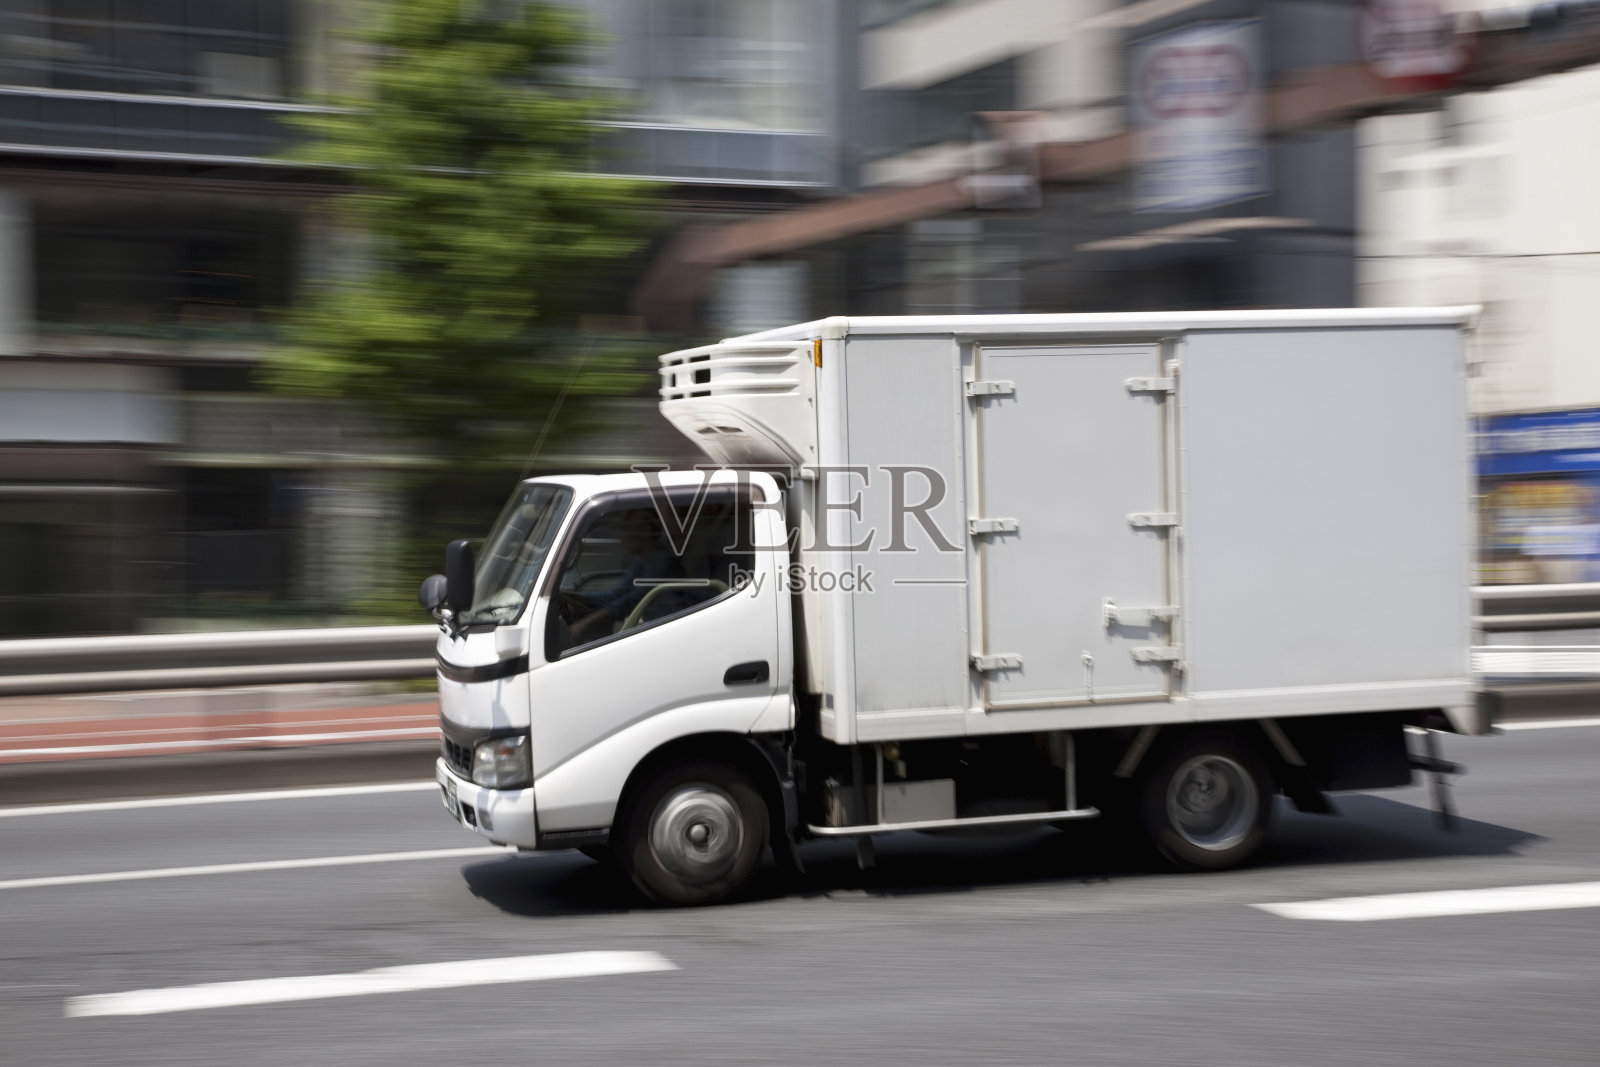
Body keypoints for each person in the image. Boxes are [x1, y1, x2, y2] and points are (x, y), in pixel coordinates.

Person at [565, 510, 683, 642]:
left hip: (670, 629)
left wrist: (585, 624)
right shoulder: (642, 560)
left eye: (626, 529)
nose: (621, 537)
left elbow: (629, 603)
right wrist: (571, 596)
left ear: (645, 531)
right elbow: (615, 595)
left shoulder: (661, 563)